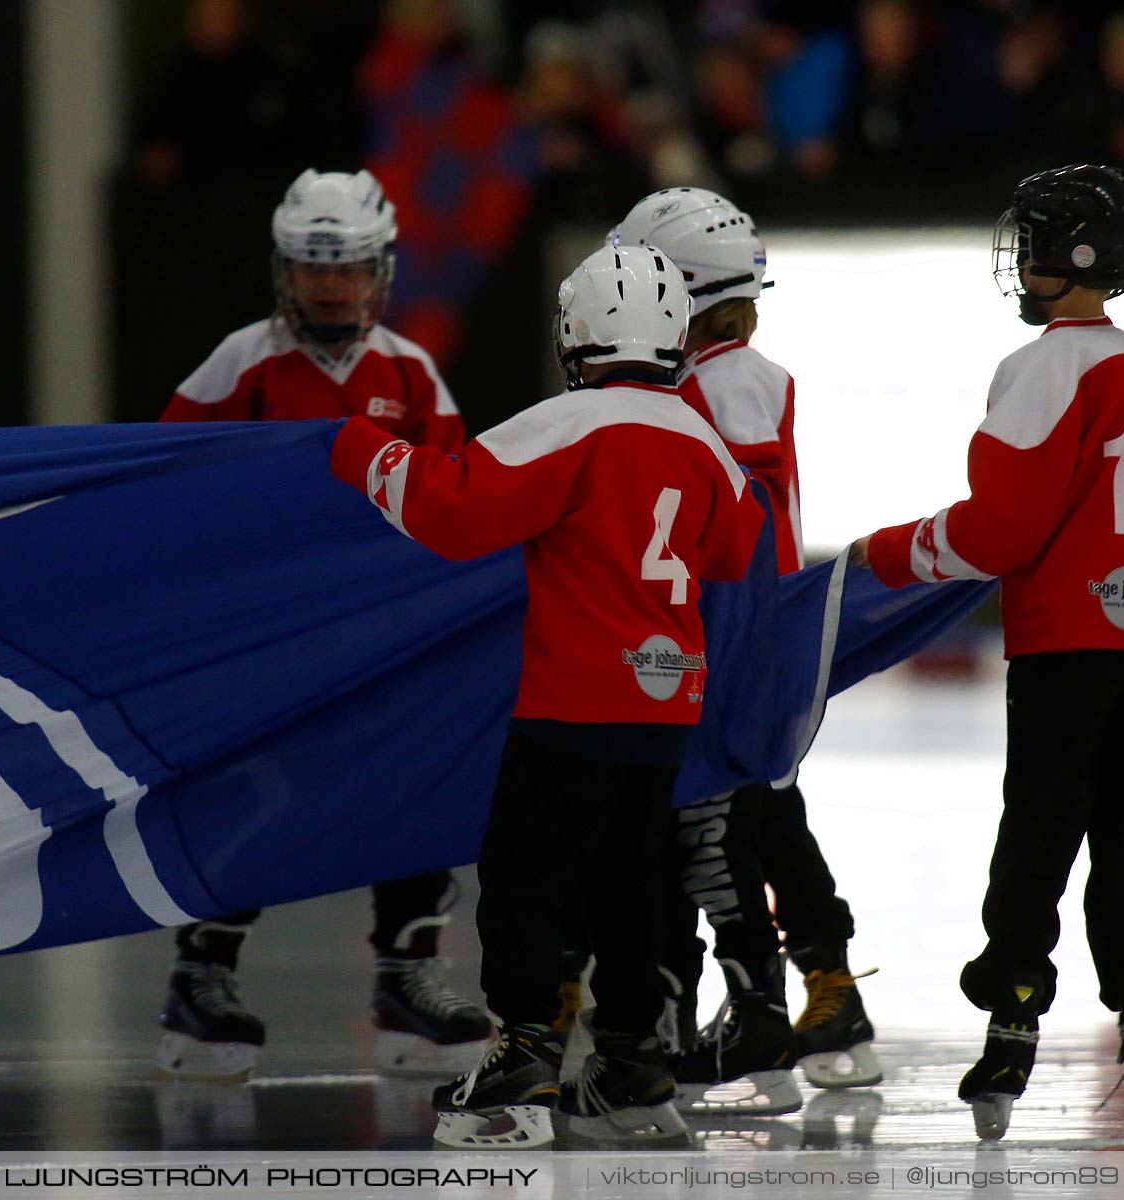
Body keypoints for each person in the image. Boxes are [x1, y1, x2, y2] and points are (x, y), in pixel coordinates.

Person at [330, 243, 765, 1149]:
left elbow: (452, 512)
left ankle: (524, 1053)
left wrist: (358, 451)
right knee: (629, 885)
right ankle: (631, 1064)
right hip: (665, 704)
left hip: (576, 697)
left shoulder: (568, 424)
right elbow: (735, 546)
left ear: (577, 334)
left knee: (523, 881)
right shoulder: (700, 439)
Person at [853, 164, 1124, 1141]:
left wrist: (889, 554)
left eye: (1038, 240)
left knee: (1041, 823)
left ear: (1072, 256)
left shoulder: (1044, 364)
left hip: (1069, 628)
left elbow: (1001, 529)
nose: (1025, 259)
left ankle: (1011, 1016)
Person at [155, 168, 487, 1081]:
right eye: (312, 268)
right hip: (266, 637)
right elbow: (167, 483)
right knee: (250, 793)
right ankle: (202, 977)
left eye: (347, 269)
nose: (330, 287)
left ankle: (408, 973)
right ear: (284, 270)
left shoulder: (413, 372)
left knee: (421, 783)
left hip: (385, 636)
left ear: (381, 270)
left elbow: (456, 499)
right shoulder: (239, 363)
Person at [609, 187, 881, 1118]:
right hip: (748, 637)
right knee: (768, 819)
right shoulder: (728, 377)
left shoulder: (725, 384)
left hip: (729, 642)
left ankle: (760, 1013)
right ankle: (826, 999)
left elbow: (739, 507)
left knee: (709, 831)